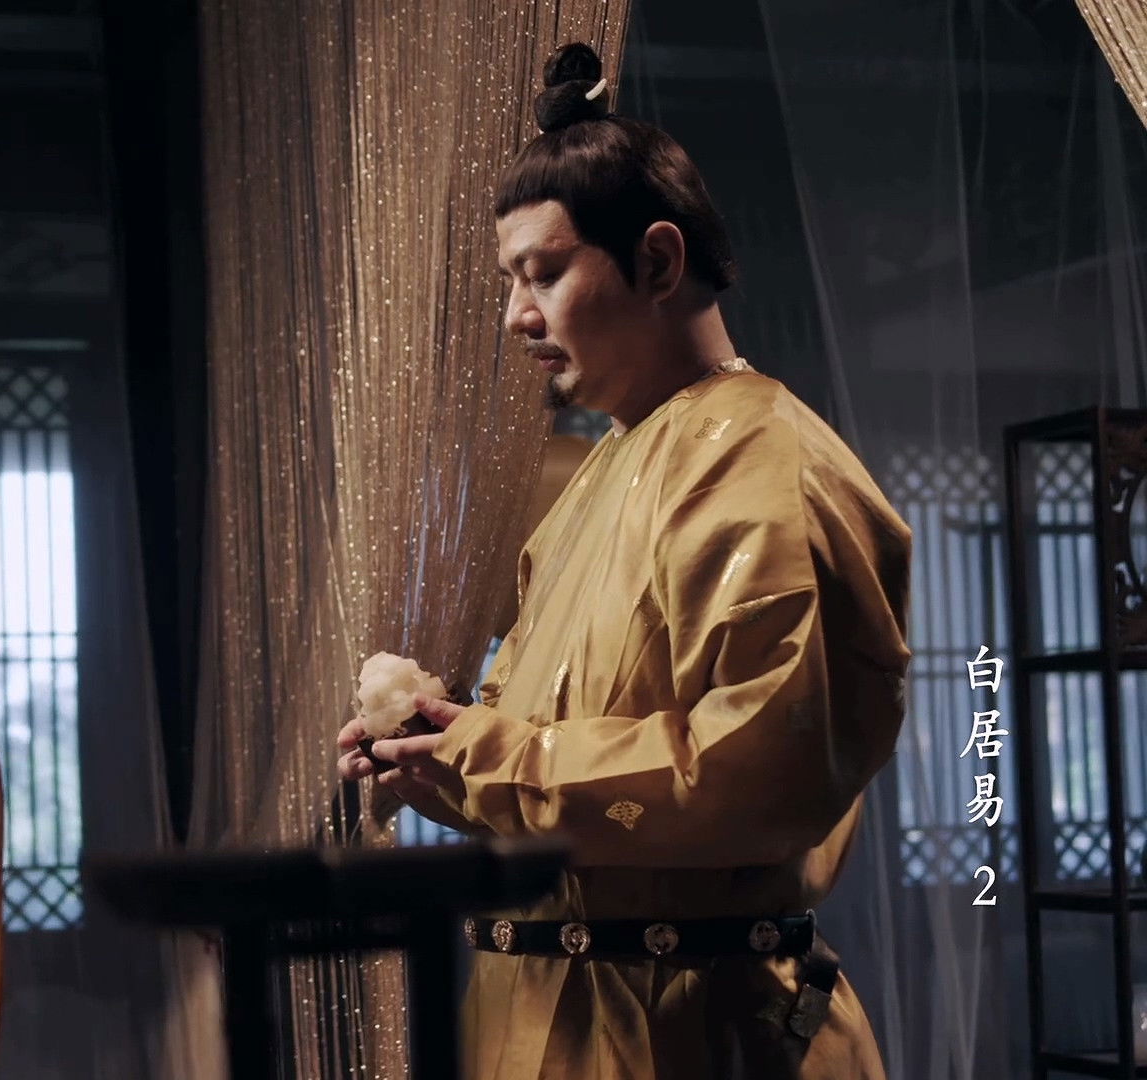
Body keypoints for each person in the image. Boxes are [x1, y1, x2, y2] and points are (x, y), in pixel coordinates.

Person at [336, 42, 911, 1080]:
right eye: (512, 281)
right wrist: (432, 762)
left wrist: (482, 756)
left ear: (656, 262)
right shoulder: (599, 473)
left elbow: (756, 779)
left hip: (694, 1028)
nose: (517, 316)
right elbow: (547, 751)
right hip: (545, 1020)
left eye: (545, 273)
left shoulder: (770, 464)